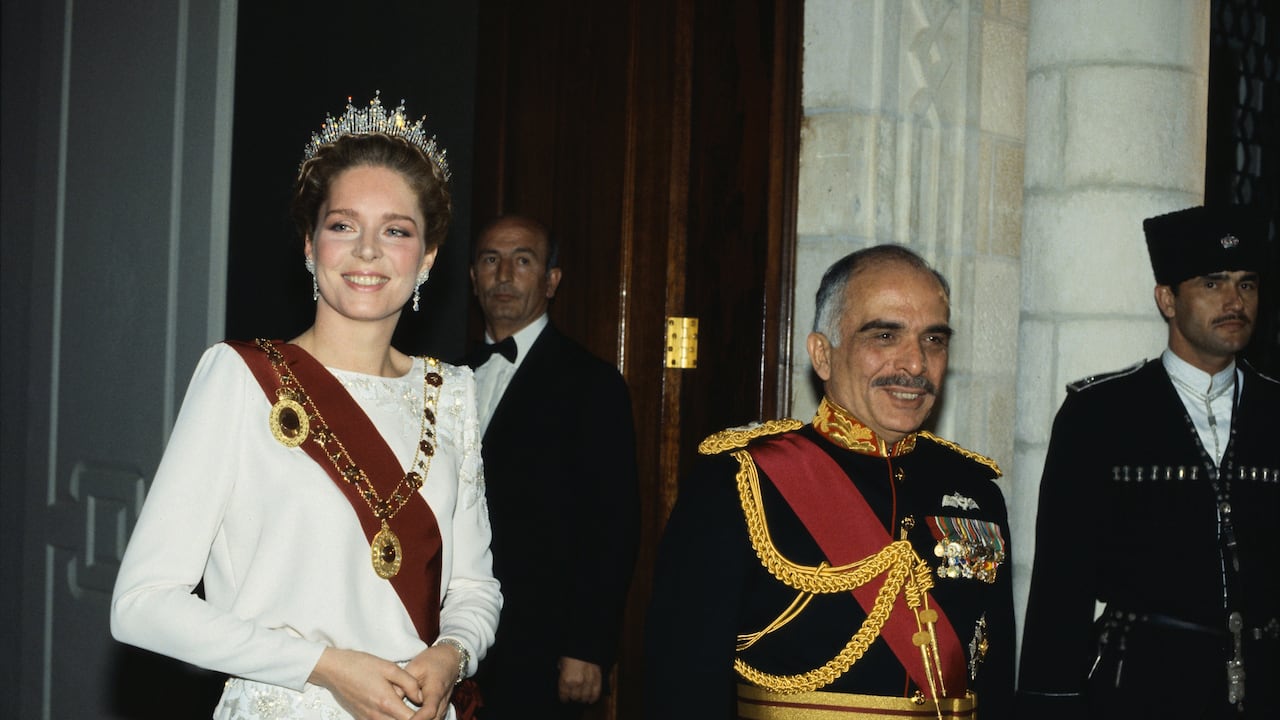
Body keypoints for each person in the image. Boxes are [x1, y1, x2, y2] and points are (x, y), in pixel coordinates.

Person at [110, 95, 502, 720]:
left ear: (427, 257)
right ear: (310, 244)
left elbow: (474, 588)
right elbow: (142, 605)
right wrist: (325, 667)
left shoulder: (452, 394)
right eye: (343, 225)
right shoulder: (241, 379)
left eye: (396, 231)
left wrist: (450, 655)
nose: (368, 251)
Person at [644, 245, 1014, 719]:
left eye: (934, 340)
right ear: (822, 354)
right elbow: (682, 683)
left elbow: (998, 680)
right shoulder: (743, 480)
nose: (916, 364)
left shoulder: (976, 491)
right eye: (885, 335)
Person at [1017, 204, 1279, 719]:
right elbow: (1060, 586)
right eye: (1212, 283)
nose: (1234, 301)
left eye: (1247, 284)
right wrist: (1050, 704)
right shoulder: (1099, 413)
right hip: (1140, 689)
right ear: (1167, 299)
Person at [465, 215, 640, 719]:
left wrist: (588, 645)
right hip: (452, 640)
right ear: (473, 277)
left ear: (551, 280)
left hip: (543, 646)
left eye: (523, 261)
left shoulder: (591, 385)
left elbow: (613, 525)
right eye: (490, 260)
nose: (504, 275)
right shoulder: (447, 377)